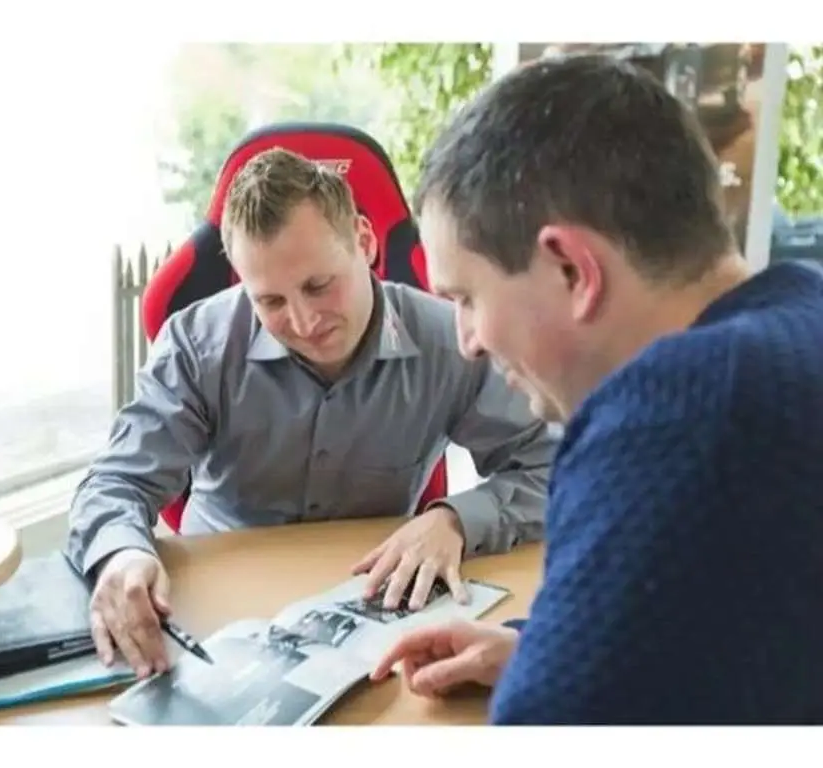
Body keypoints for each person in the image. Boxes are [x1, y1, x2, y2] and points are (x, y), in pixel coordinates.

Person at [370, 53, 823, 724]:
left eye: (466, 298)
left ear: (572, 270)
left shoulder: (678, 413)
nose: (467, 340)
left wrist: (554, 677)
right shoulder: (801, 311)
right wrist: (546, 650)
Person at [66, 147, 558, 680]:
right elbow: (114, 483)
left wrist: (455, 519)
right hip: (215, 613)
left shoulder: (449, 340)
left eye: (319, 286)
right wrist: (120, 556)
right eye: (270, 302)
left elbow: (554, 467)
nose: (303, 322)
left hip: (373, 607)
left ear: (364, 243)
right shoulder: (197, 345)